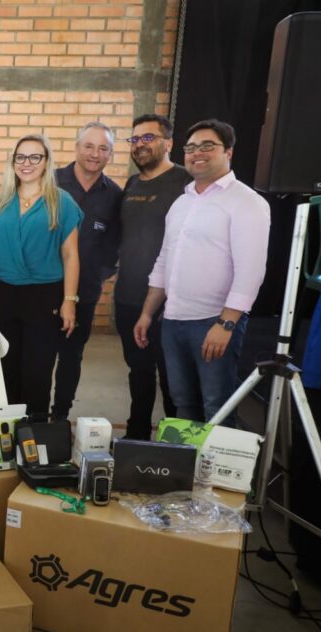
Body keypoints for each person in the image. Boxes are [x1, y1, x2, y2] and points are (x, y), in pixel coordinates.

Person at [135, 119, 270, 425]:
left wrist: (226, 323)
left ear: (229, 153)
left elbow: (250, 271)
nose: (198, 153)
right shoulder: (182, 203)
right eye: (192, 147)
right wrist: (147, 313)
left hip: (213, 322)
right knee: (183, 404)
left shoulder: (246, 202)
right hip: (173, 322)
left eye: (208, 146)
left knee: (217, 408)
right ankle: (190, 471)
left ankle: (215, 474)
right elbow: (164, 260)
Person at [0, 134, 82, 414]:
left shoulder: (62, 202)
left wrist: (69, 300)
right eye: (21, 157)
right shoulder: (2, 202)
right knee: (6, 370)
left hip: (44, 297)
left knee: (37, 373)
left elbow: (71, 255)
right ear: (13, 163)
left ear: (47, 163)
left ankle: (34, 440)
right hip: (5, 295)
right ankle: (8, 437)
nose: (27, 163)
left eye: (35, 157)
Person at [115, 114, 189, 439]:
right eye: (134, 139)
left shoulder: (186, 183)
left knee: (172, 378)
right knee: (139, 371)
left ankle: (176, 444)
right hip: (128, 296)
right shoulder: (132, 184)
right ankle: (137, 435)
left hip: (169, 301)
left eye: (148, 138)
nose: (140, 145)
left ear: (168, 143)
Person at [52, 122, 123, 419]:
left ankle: (60, 416)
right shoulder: (49, 182)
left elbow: (115, 245)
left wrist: (95, 274)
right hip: (43, 288)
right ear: (77, 147)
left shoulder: (115, 196)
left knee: (71, 357)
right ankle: (32, 416)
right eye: (89, 146)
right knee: (38, 357)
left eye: (103, 148)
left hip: (84, 294)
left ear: (111, 155)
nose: (95, 154)